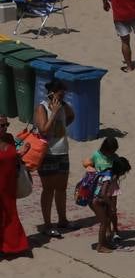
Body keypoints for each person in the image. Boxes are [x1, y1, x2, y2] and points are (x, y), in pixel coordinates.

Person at [33, 80, 75, 238]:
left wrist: (63, 108)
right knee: (48, 189)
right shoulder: (42, 107)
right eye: (60, 93)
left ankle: (63, 220)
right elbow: (43, 130)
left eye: (64, 93)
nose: (62, 95)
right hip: (47, 154)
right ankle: (47, 224)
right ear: (51, 93)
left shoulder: (63, 106)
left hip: (62, 151)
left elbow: (71, 117)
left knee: (62, 188)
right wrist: (55, 113)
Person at [0, 117, 28, 257]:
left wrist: (21, 154)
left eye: (6, 124)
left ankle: (12, 246)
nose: (5, 127)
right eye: (2, 125)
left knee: (10, 214)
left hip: (10, 184)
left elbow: (13, 157)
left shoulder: (10, 138)